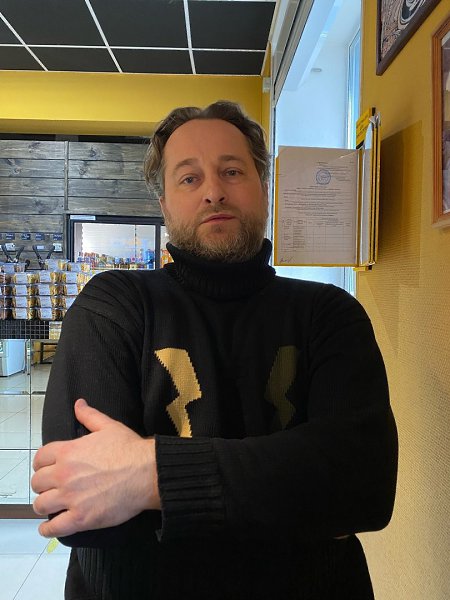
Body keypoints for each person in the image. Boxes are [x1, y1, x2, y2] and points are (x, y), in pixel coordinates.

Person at [31, 100, 398, 600]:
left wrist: (149, 475)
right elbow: (78, 510)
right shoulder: (113, 305)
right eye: (189, 178)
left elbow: (364, 486)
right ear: (164, 204)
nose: (214, 191)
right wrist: (296, 491)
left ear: (264, 189)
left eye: (232, 170)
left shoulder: (329, 314)